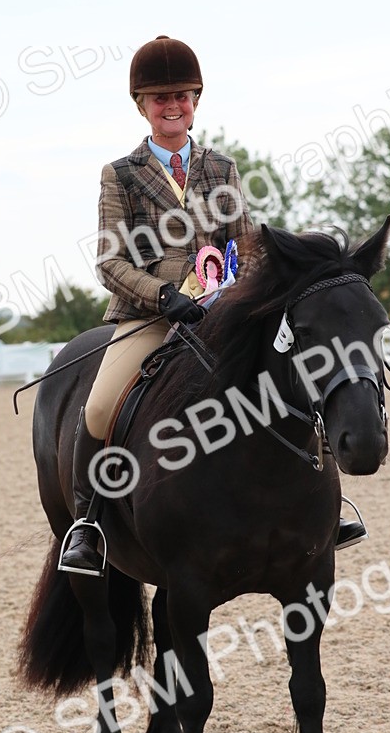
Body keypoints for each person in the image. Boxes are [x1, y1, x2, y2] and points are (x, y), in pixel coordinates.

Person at [59, 34, 368, 576]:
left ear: (196, 102)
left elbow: (244, 244)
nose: (172, 106)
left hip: (222, 314)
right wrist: (164, 296)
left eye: (181, 95)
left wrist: (240, 290)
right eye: (160, 98)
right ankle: (90, 523)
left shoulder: (221, 169)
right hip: (151, 317)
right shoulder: (121, 175)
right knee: (101, 406)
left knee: (296, 376)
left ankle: (325, 506)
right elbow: (110, 261)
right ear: (142, 107)